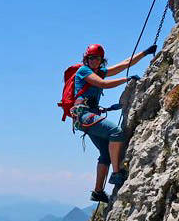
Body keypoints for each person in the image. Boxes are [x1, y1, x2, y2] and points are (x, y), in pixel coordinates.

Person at [66, 43, 156, 203]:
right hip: (84, 115)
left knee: (106, 154)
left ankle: (98, 191)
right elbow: (103, 84)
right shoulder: (84, 71)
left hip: (87, 117)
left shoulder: (100, 72)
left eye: (97, 58)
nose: (94, 61)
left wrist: (145, 53)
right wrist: (127, 79)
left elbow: (124, 64)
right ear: (86, 59)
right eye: (91, 58)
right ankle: (116, 173)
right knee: (116, 132)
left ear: (101, 60)